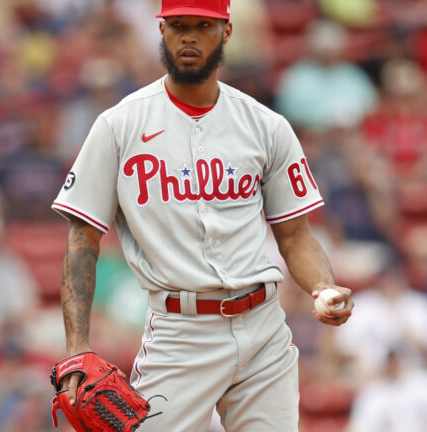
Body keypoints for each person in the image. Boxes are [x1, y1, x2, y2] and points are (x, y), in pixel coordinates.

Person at [50, 1, 354, 430]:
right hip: (180, 332)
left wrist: (321, 285)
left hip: (264, 327)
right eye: (177, 26)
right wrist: (76, 347)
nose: (188, 37)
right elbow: (82, 241)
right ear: (161, 31)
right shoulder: (119, 126)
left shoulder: (266, 125)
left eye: (202, 26)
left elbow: (295, 235)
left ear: (226, 31)